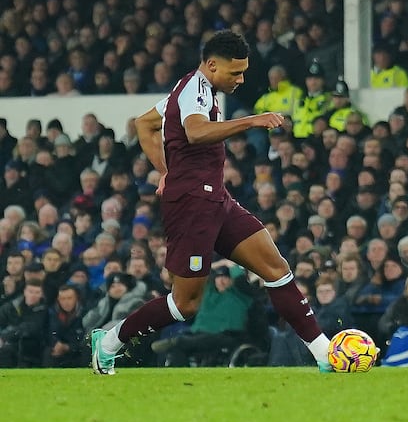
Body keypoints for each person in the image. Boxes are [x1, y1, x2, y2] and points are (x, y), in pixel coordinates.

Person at [90, 30, 332, 374]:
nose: (241, 79)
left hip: (215, 198)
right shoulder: (195, 90)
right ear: (212, 65)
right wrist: (253, 120)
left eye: (244, 71)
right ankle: (110, 341)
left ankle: (325, 353)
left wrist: (167, 170)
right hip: (190, 205)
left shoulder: (192, 88)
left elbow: (144, 124)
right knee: (186, 304)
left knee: (276, 269)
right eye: (235, 72)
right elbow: (196, 132)